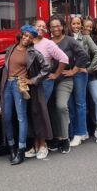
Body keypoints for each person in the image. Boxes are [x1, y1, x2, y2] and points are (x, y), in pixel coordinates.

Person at [1, 25, 50, 165]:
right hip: (7, 86)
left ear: (32, 39)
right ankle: (11, 147)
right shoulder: (11, 49)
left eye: (30, 37)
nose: (26, 38)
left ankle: (21, 150)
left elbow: (46, 68)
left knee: (21, 118)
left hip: (19, 86)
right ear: (21, 34)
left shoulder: (33, 53)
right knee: (7, 117)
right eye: (25, 35)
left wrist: (32, 80)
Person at [47, 15, 89, 154]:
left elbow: (84, 55)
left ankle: (65, 139)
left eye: (58, 26)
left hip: (65, 79)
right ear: (50, 28)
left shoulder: (70, 41)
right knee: (50, 108)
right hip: (50, 79)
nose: (56, 28)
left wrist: (74, 70)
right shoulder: (47, 42)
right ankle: (55, 138)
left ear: (63, 26)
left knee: (61, 106)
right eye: (53, 26)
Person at [28, 19, 68, 159]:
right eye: (38, 26)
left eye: (43, 27)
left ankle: (43, 145)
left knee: (41, 113)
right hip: (32, 83)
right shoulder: (28, 42)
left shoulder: (48, 43)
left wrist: (56, 74)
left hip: (45, 83)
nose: (41, 28)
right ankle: (35, 145)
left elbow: (64, 58)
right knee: (33, 113)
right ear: (32, 28)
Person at [67, 16, 97, 147]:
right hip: (68, 73)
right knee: (70, 105)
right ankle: (81, 131)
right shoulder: (67, 37)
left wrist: (89, 68)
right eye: (73, 23)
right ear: (70, 25)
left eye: (78, 23)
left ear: (81, 25)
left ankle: (79, 134)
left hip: (80, 74)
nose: (75, 26)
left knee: (80, 104)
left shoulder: (86, 37)